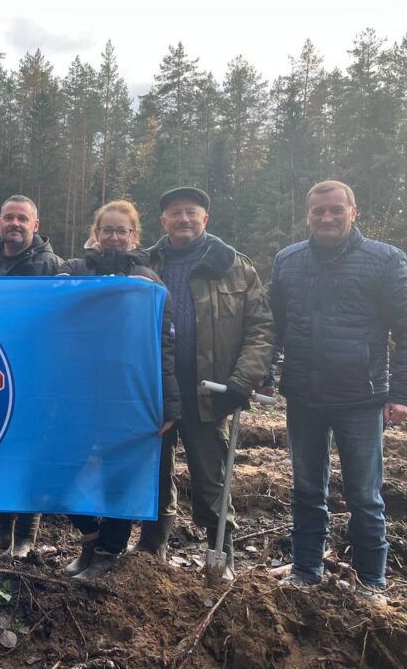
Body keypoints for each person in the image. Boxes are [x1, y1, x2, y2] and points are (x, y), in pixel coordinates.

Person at [269, 180, 407, 605]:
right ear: (307, 215)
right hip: (304, 398)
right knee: (307, 488)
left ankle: (372, 581)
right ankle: (306, 570)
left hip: (361, 400)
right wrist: (260, 373)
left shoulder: (385, 261)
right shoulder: (288, 261)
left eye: (335, 210)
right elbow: (274, 325)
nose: (327, 218)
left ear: (353, 211)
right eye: (318, 211)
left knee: (365, 495)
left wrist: (399, 393)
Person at [147, 187, 273, 581]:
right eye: (175, 213)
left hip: (208, 394)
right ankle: (153, 547)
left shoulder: (234, 266)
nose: (183, 219)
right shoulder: (148, 264)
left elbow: (262, 329)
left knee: (210, 478)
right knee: (153, 473)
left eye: (191, 213)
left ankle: (222, 552)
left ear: (206, 219)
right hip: (155, 392)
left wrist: (242, 379)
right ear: (163, 221)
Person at [59, 200, 182, 578]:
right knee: (58, 469)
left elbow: (163, 345)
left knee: (119, 476)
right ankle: (90, 538)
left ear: (134, 237)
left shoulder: (150, 282)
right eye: (106, 230)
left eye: (121, 231)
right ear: (95, 234)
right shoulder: (73, 270)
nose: (113, 237)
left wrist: (169, 402)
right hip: (78, 392)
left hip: (128, 396)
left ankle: (109, 553)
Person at [0, 195, 64, 558]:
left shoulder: (54, 266)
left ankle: (26, 536)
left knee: (32, 454)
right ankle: (3, 528)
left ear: (35, 225)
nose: (16, 224)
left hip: (39, 377)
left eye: (23, 219)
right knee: (3, 450)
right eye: (9, 218)